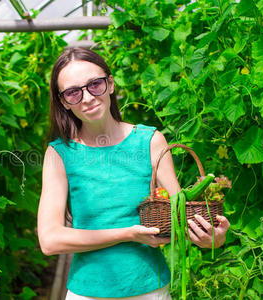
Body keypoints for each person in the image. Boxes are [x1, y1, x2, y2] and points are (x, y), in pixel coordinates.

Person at [37, 47, 230, 299]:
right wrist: (128, 233)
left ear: (110, 84)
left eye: (94, 84)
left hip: (150, 289)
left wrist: (211, 239)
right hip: (88, 292)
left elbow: (179, 216)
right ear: (63, 101)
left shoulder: (150, 141)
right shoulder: (60, 154)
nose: (87, 97)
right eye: (73, 92)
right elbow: (50, 240)